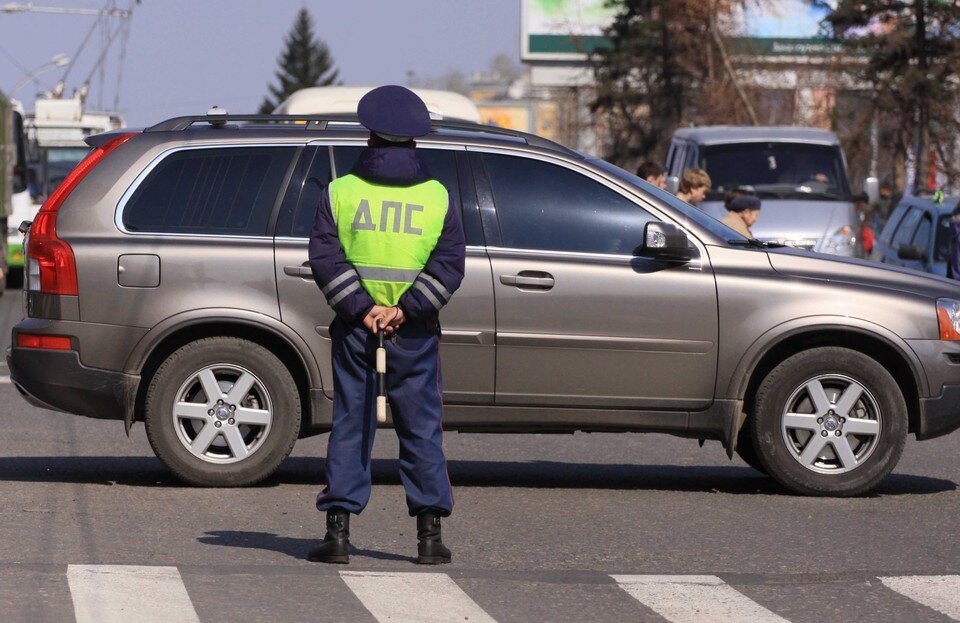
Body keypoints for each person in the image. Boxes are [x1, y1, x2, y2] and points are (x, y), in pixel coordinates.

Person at [306, 85, 466, 565]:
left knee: (351, 425)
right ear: (416, 141)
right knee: (420, 429)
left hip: (357, 331)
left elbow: (324, 258)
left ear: (369, 136)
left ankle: (337, 537)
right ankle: (430, 539)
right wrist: (405, 309)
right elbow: (449, 264)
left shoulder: (340, 191)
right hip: (413, 334)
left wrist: (363, 308)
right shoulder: (437, 197)